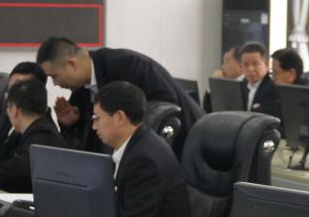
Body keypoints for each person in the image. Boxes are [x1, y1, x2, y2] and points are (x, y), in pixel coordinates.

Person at [37, 37, 203, 153]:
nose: (55, 84)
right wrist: (72, 124)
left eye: (54, 76)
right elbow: (89, 142)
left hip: (188, 144)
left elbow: (166, 107)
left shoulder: (128, 65)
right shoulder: (81, 88)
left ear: (72, 64)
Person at [91, 81, 193, 217]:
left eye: (97, 118)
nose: (94, 126)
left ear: (119, 117)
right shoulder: (132, 145)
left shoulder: (145, 160)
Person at [239, 41, 280, 120]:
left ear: (266, 64)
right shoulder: (240, 85)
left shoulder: (273, 88)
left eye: (255, 64)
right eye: (246, 65)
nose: (250, 69)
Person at [203, 46, 244, 113]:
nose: (222, 67)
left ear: (240, 66)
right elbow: (207, 111)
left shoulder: (246, 86)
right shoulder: (227, 84)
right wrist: (213, 85)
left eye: (226, 62)